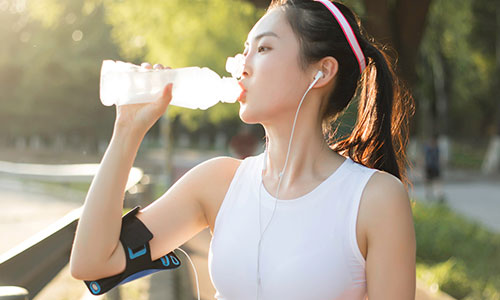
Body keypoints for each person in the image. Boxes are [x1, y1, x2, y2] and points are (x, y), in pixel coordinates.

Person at [70, 0, 416, 299]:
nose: (241, 66)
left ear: (321, 71)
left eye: (263, 48)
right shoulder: (217, 183)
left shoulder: (374, 199)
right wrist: (127, 130)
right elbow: (93, 263)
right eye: (245, 50)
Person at [424, 133, 445, 203]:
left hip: (434, 167)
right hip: (430, 167)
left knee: (436, 181)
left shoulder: (436, 148)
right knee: (430, 181)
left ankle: (438, 194)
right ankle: (430, 194)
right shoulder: (429, 148)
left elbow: (439, 158)